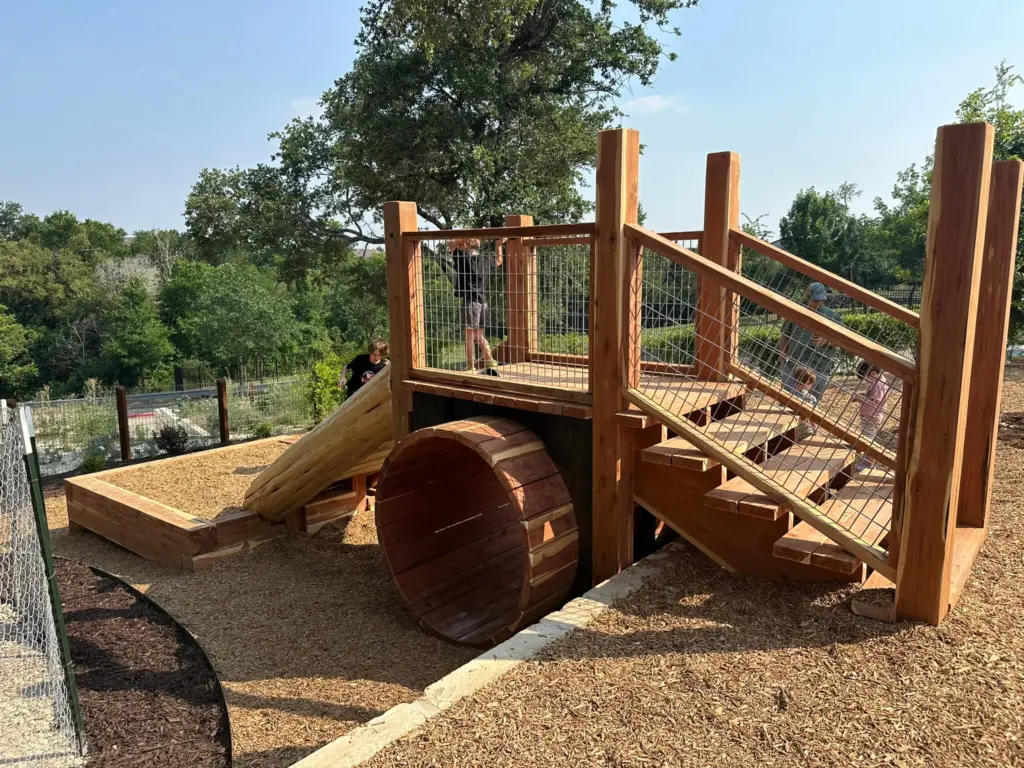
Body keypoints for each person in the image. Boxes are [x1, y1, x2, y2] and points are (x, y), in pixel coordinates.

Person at [778, 282, 843, 405]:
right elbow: (785, 335)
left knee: (813, 404)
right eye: (815, 300)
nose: (819, 303)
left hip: (820, 367)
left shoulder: (833, 316)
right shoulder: (795, 311)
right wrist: (782, 359)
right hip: (794, 365)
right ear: (808, 297)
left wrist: (827, 341)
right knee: (787, 403)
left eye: (821, 300)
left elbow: (842, 340)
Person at [451, 237, 504, 375]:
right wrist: (498, 245)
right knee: (479, 335)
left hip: (470, 303)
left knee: (469, 336)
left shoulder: (463, 259)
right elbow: (499, 261)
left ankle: (470, 366)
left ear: (465, 244)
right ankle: (490, 359)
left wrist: (461, 240)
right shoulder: (485, 260)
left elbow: (450, 245)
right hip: (483, 302)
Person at [852, 360, 891, 471]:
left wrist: (860, 397)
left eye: (865, 378)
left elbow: (874, 401)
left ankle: (867, 465)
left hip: (871, 417)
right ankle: (866, 463)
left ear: (872, 374)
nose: (866, 381)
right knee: (867, 440)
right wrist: (860, 396)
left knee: (868, 442)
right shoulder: (877, 383)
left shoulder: (878, 386)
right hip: (870, 416)